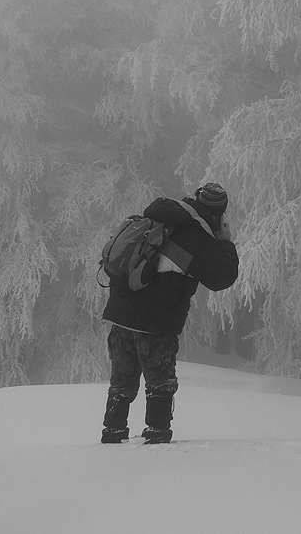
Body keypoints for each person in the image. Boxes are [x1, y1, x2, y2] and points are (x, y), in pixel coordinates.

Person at [100, 182, 239, 444]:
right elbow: (223, 277)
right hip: (155, 323)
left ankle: (112, 433)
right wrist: (225, 243)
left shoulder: (159, 219)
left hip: (120, 315)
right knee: (160, 383)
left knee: (121, 381)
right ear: (218, 215)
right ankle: (157, 437)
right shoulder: (194, 238)